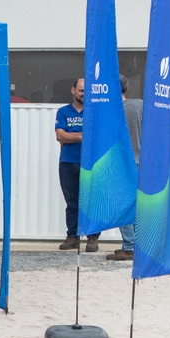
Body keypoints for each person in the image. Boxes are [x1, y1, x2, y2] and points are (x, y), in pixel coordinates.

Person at [55, 78, 100, 252]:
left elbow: (98, 136)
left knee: (91, 201)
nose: (84, 94)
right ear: (73, 90)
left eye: (87, 91)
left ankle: (92, 237)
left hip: (91, 164)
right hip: (68, 162)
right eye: (81, 90)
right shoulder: (63, 112)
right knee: (72, 201)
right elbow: (60, 136)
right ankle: (72, 236)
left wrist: (71, 135)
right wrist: (85, 136)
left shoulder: (95, 112)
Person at [108, 75, 143, 261]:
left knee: (124, 205)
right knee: (138, 205)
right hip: (140, 161)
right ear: (126, 88)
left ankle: (129, 247)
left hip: (119, 164)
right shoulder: (140, 105)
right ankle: (141, 246)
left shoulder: (107, 110)